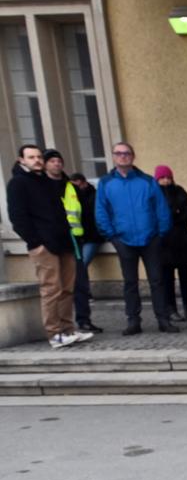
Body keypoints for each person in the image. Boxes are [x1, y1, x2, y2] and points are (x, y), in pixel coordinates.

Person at [7, 144, 91, 348]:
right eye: (31, 157)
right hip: (44, 245)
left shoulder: (47, 181)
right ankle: (54, 333)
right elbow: (18, 218)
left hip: (64, 242)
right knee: (51, 289)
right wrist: (35, 242)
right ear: (21, 160)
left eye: (38, 156)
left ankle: (68, 329)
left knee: (67, 288)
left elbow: (61, 211)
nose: (36, 160)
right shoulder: (18, 183)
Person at [96, 141, 175, 335]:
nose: (123, 156)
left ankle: (163, 319)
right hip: (123, 240)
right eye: (119, 153)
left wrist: (160, 233)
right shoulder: (106, 183)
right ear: (114, 157)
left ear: (133, 156)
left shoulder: (148, 181)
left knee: (157, 281)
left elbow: (161, 209)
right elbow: (101, 211)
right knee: (130, 282)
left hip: (150, 239)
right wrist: (112, 236)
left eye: (127, 153)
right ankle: (133, 320)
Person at [154, 164, 187, 323]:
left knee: (185, 277)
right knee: (167, 278)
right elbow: (160, 214)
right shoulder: (155, 193)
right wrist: (173, 213)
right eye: (163, 178)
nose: (166, 181)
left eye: (168, 177)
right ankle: (171, 308)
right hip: (165, 241)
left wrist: (175, 214)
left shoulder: (179, 191)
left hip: (182, 240)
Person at [68, 171, 103, 333]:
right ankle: (81, 315)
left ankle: (85, 302)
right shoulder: (72, 194)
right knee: (79, 269)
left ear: (82, 182)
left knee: (82, 265)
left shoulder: (92, 195)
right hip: (78, 239)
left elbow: (92, 216)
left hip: (91, 237)